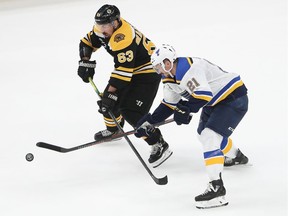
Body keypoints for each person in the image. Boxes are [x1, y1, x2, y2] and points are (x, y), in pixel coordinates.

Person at [135, 44, 249, 209]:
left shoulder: (187, 69)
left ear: (167, 62)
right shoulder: (168, 78)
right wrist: (150, 122)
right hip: (215, 103)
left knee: (211, 137)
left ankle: (217, 189)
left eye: (159, 66)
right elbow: (169, 104)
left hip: (232, 98)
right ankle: (236, 156)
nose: (157, 70)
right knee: (204, 135)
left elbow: (203, 95)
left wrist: (186, 108)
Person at [77, 4, 172, 168]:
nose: (101, 29)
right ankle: (115, 130)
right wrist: (85, 61)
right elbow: (86, 42)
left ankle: (158, 142)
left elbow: (123, 70)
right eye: (99, 24)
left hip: (148, 72)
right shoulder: (102, 29)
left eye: (105, 25)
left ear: (115, 23)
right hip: (131, 69)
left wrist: (112, 95)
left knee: (131, 111)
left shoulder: (123, 36)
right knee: (108, 100)